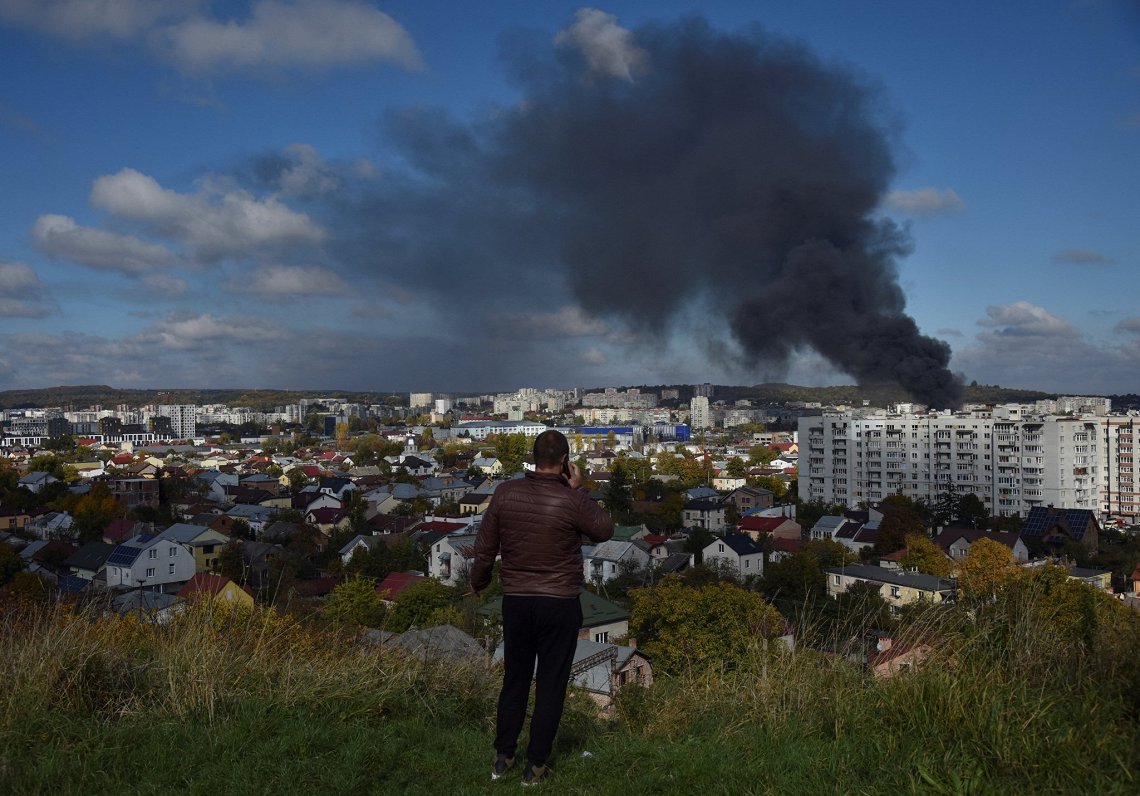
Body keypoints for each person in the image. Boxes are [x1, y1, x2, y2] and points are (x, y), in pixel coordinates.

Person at [469, 429, 614, 785]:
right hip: (560, 604)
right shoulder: (572, 499)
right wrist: (579, 488)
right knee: (551, 684)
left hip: (517, 601)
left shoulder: (505, 493)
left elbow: (485, 546)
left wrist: (479, 582)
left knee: (514, 679)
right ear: (565, 462)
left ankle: (502, 757)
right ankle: (535, 767)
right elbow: (605, 530)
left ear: (533, 459)